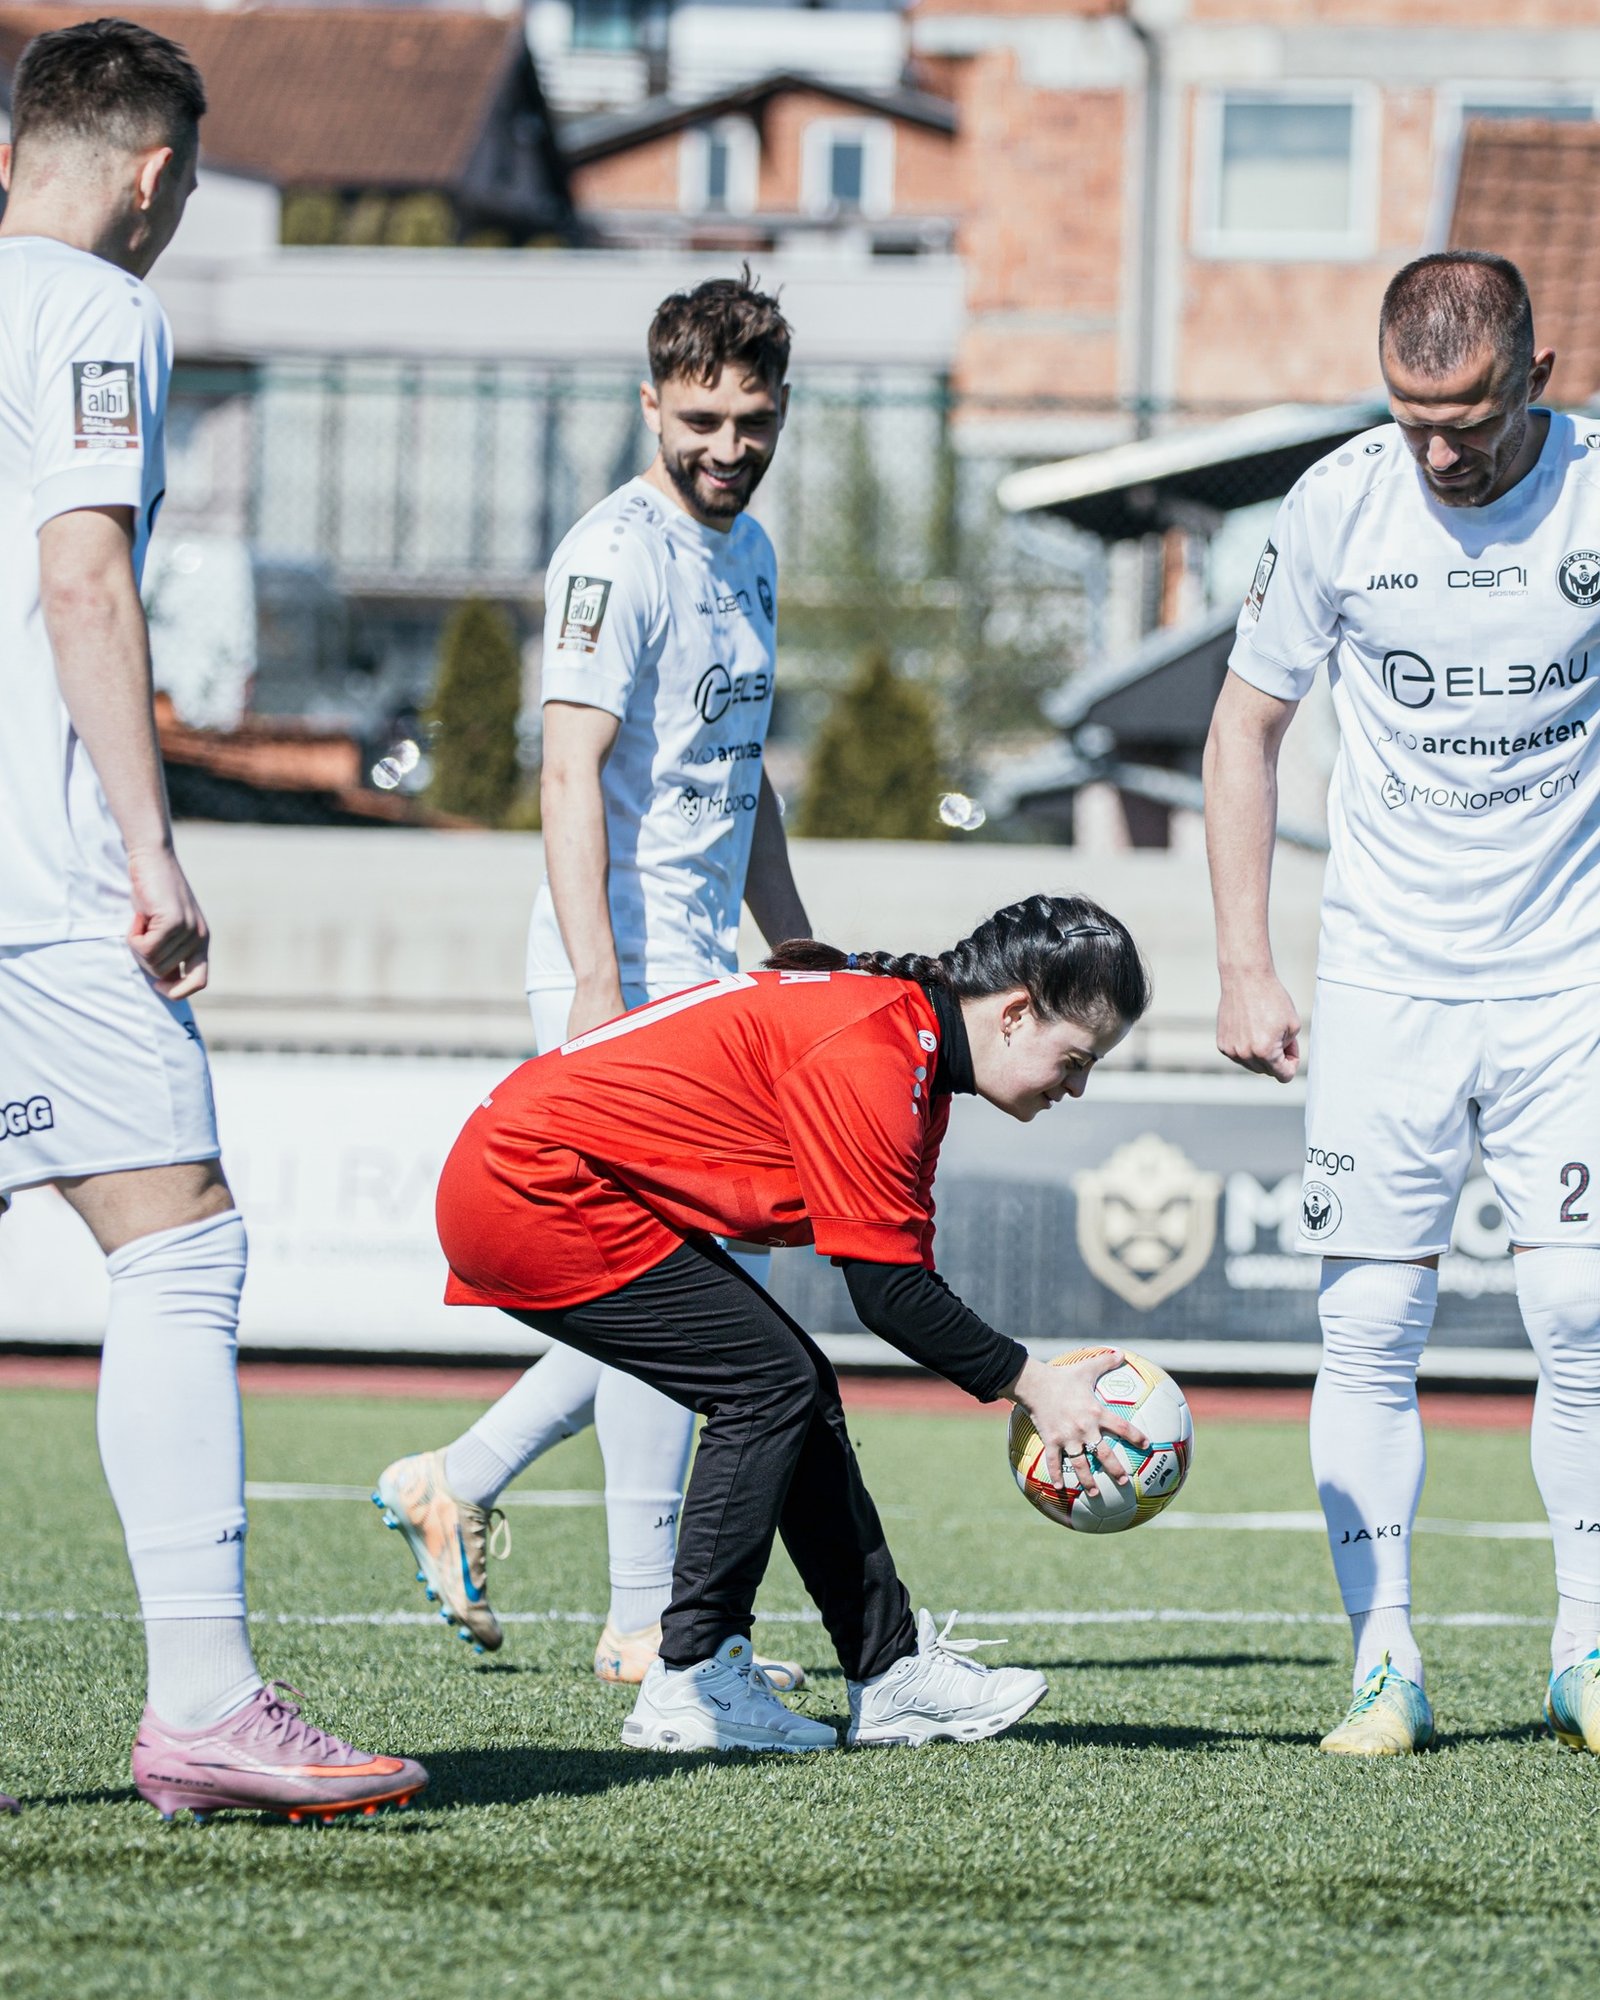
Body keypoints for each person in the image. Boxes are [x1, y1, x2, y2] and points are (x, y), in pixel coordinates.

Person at [0, 19, 426, 1821]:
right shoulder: (97, 311)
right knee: (177, 1246)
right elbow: (83, 575)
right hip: (38, 884)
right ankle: (200, 1704)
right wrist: (152, 850)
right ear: (157, 175)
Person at [424, 895, 1152, 1752]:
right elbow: (889, 1296)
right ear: (1016, 1013)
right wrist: (1036, 1385)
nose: (1077, 1086)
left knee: (789, 1385)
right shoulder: (880, 1046)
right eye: (1076, 1059)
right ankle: (692, 1679)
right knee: (769, 1385)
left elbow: (901, 1281)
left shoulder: (912, 1046)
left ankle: (888, 1672)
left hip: (543, 1174)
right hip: (530, 1185)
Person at [376, 271, 811, 1688]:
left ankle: (458, 1480)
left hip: (703, 971)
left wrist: (791, 942)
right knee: (702, 1299)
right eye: (701, 419)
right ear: (651, 406)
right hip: (616, 971)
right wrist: (595, 984)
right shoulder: (612, 556)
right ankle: (639, 1617)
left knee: (706, 1296)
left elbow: (740, 775)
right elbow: (568, 772)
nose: (728, 446)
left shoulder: (747, 554)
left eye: (753, 420)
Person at [1205, 250, 1600, 1758]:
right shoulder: (1337, 504)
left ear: (1538, 378)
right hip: (1385, 973)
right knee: (1369, 1318)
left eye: (1471, 423)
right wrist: (1244, 959)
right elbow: (1244, 730)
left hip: (1570, 971)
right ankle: (1385, 1663)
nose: (1439, 454)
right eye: (1411, 419)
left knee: (1581, 1310)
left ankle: (1587, 1649)